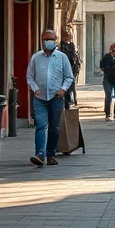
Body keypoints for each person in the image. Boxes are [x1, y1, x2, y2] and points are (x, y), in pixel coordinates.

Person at [26, 29, 74, 167]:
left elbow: (69, 76)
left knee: (54, 127)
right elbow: (30, 76)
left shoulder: (62, 57)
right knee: (41, 125)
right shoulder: (36, 57)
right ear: (42, 41)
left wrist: (63, 89)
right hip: (40, 98)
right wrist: (35, 89)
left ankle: (51, 154)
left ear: (56, 41)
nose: (48, 42)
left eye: (51, 39)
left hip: (56, 97)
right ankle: (40, 153)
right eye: (46, 39)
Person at [99, 42, 115, 120]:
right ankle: (108, 114)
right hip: (108, 78)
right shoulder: (106, 57)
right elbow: (102, 66)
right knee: (108, 95)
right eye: (113, 48)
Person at [58, 26, 82, 106]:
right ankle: (67, 103)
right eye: (67, 36)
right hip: (63, 71)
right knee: (66, 90)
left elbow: (75, 59)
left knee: (71, 87)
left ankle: (72, 102)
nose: (68, 38)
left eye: (69, 36)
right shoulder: (61, 46)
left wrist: (76, 69)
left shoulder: (72, 46)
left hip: (72, 70)